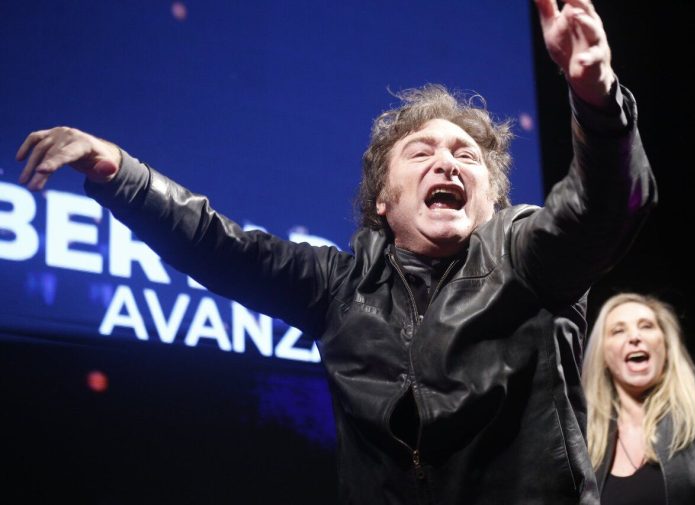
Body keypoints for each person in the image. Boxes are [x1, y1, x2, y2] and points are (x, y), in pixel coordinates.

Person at [15, 1, 656, 503]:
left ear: (490, 200)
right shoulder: (341, 288)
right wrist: (118, 171)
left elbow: (603, 207)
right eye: (422, 152)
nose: (447, 162)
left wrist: (597, 101)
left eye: (466, 156)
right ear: (382, 200)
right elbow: (219, 245)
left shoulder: (529, 258)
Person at [583, 293, 695, 504]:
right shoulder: (583, 441)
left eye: (646, 326)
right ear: (603, 355)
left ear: (666, 347)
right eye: (618, 331)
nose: (634, 337)